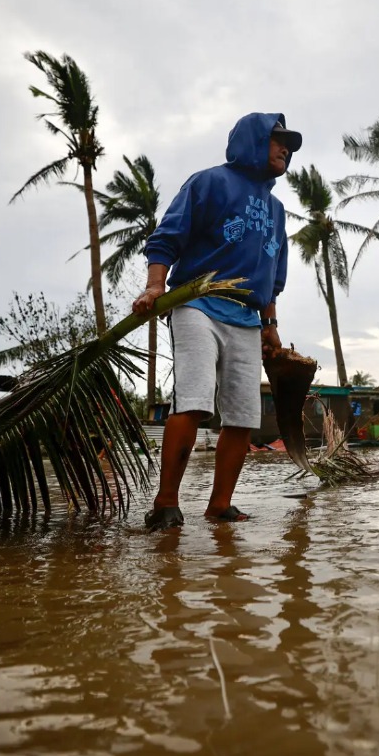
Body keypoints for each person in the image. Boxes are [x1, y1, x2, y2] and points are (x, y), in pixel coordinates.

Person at [133, 112, 301, 529]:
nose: (286, 150)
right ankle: (166, 503)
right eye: (279, 140)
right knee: (193, 400)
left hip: (246, 316)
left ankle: (219, 504)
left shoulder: (277, 211)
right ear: (253, 140)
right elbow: (167, 237)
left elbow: (271, 277)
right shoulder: (209, 182)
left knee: (244, 415)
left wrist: (270, 325)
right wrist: (156, 286)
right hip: (198, 303)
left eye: (291, 146)